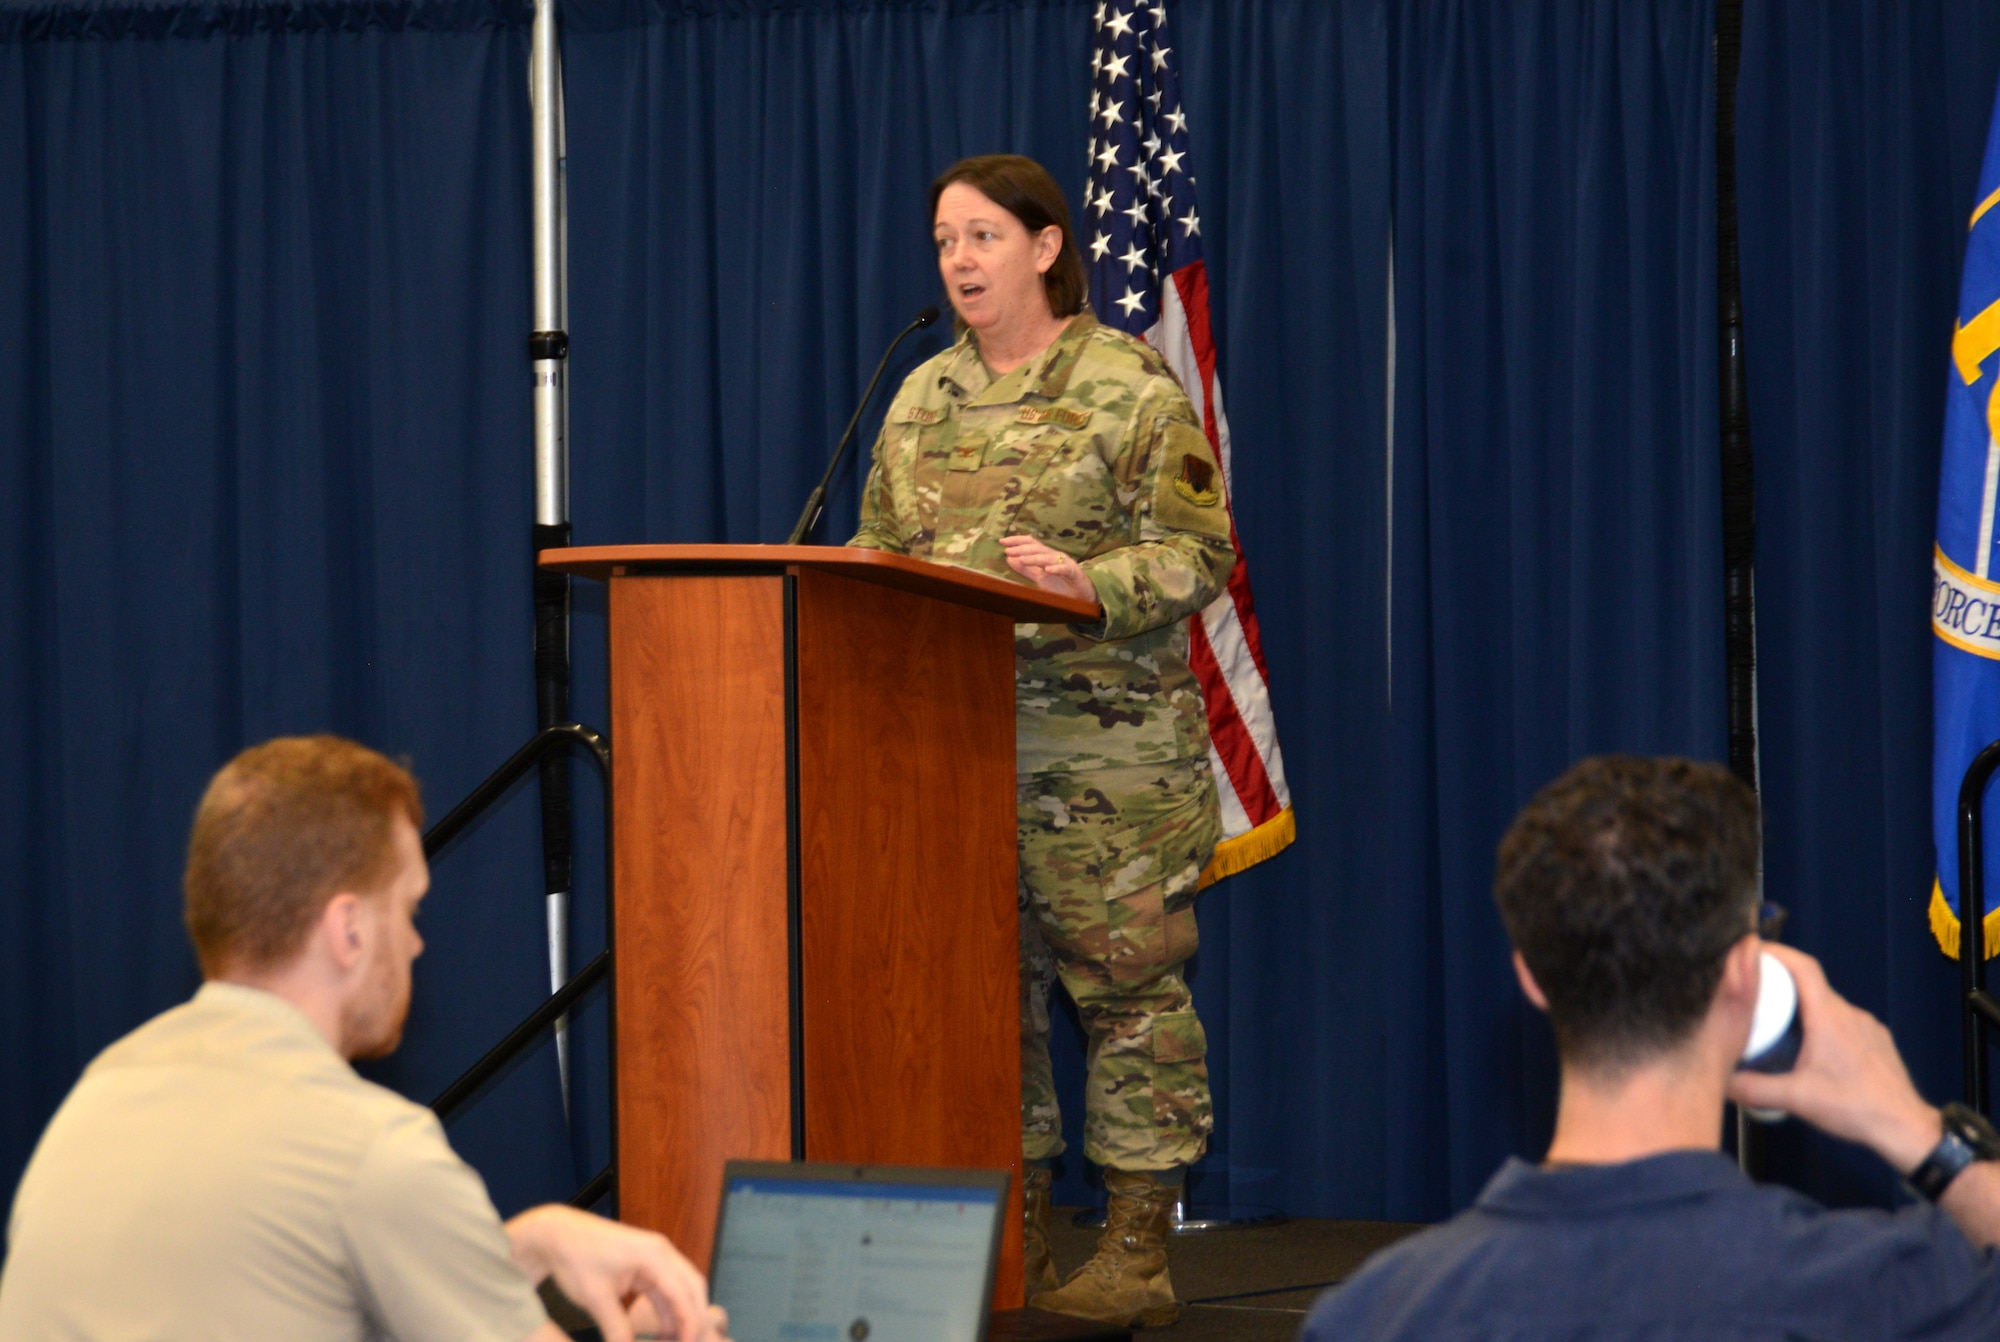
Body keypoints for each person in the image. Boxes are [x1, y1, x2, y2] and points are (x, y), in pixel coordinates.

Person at [847, 153, 1236, 1327]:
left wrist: (1086, 581)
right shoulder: (921, 394)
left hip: (1102, 761)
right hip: (949, 757)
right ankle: (1001, 1231)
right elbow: (874, 549)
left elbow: (1195, 553)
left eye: (981, 238)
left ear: (1045, 246)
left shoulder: (1126, 385)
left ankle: (1131, 1248)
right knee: (978, 1003)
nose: (959, 262)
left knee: (1123, 998)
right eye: (944, 242)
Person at [0, 735, 728, 1342]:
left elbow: (291, 1288)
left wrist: (528, 1243)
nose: (415, 945)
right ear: (348, 930)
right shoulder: (371, 1151)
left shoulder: (99, 1099)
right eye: (408, 909)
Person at [1301, 755, 2000, 1341]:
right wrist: (1906, 1122)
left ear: (1531, 976)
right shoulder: (1878, 1293)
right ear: (1744, 975)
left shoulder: (1371, 1315)